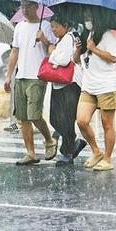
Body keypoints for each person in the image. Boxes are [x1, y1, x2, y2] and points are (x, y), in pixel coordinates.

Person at [4, 0, 58, 165]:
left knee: (34, 115)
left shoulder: (46, 27)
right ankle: (31, 153)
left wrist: (44, 40)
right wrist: (9, 75)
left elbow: (52, 51)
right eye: (22, 7)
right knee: (22, 117)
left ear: (36, 7)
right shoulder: (19, 26)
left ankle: (49, 140)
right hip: (21, 76)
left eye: (27, 6)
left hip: (38, 76)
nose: (24, 10)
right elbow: (15, 51)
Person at [76, 12, 116, 171]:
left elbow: (114, 58)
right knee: (81, 120)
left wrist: (94, 49)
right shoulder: (87, 34)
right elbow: (78, 60)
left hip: (106, 86)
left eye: (90, 16)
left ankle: (108, 159)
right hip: (89, 85)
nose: (87, 19)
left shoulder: (107, 36)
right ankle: (96, 151)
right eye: (86, 16)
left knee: (107, 124)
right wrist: (79, 49)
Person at [46, 14, 87, 166]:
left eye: (56, 26)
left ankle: (68, 153)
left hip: (69, 85)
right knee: (55, 119)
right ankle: (75, 143)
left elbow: (63, 61)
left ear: (65, 24)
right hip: (59, 83)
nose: (54, 30)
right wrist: (54, 54)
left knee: (66, 120)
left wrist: (52, 55)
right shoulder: (61, 41)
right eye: (52, 27)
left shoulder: (69, 38)